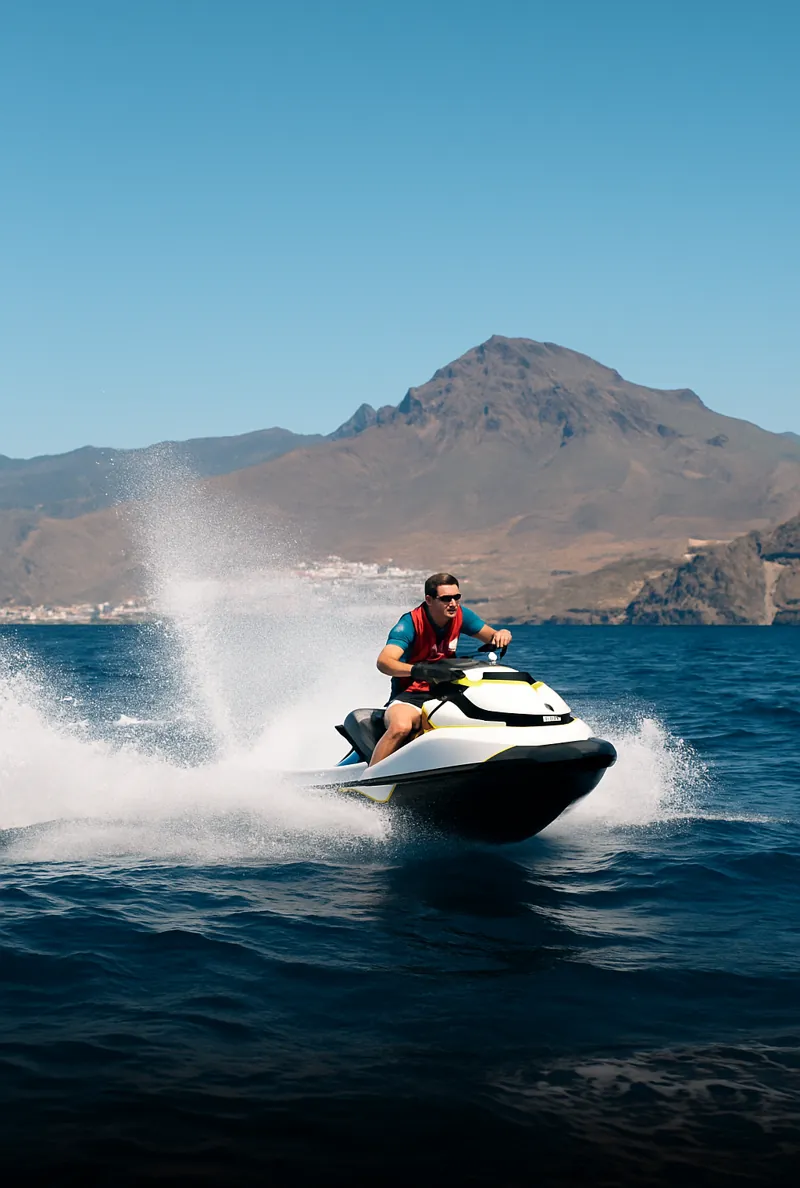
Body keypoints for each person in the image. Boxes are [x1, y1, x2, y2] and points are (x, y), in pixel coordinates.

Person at [369, 572, 512, 767]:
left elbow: (492, 636)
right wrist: (421, 671)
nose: (453, 603)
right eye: (445, 599)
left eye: (457, 597)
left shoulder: (462, 615)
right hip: (411, 695)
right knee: (400, 727)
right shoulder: (409, 624)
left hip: (447, 690)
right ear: (429, 599)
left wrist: (503, 634)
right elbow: (384, 662)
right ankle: (369, 781)